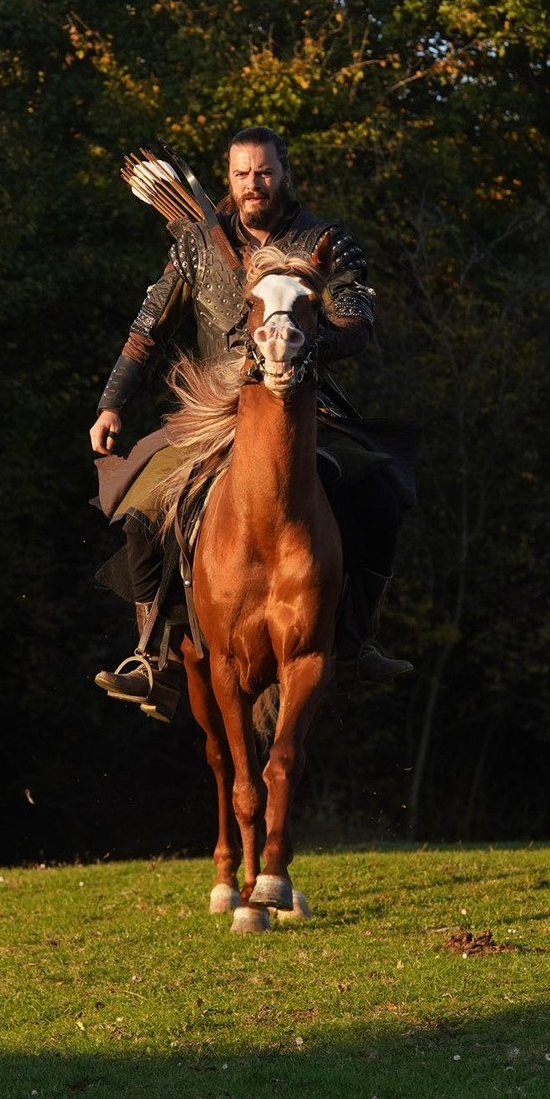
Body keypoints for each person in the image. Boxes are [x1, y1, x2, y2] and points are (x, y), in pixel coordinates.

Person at [89, 126, 416, 716]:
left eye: (263, 172)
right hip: (214, 411)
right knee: (141, 508)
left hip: (305, 404)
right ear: (230, 178)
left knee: (381, 493)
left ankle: (354, 643)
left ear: (284, 173)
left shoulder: (328, 242)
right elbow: (146, 332)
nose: (252, 185)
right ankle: (153, 656)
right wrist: (112, 402)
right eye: (241, 174)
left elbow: (357, 325)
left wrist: (295, 343)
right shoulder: (194, 245)